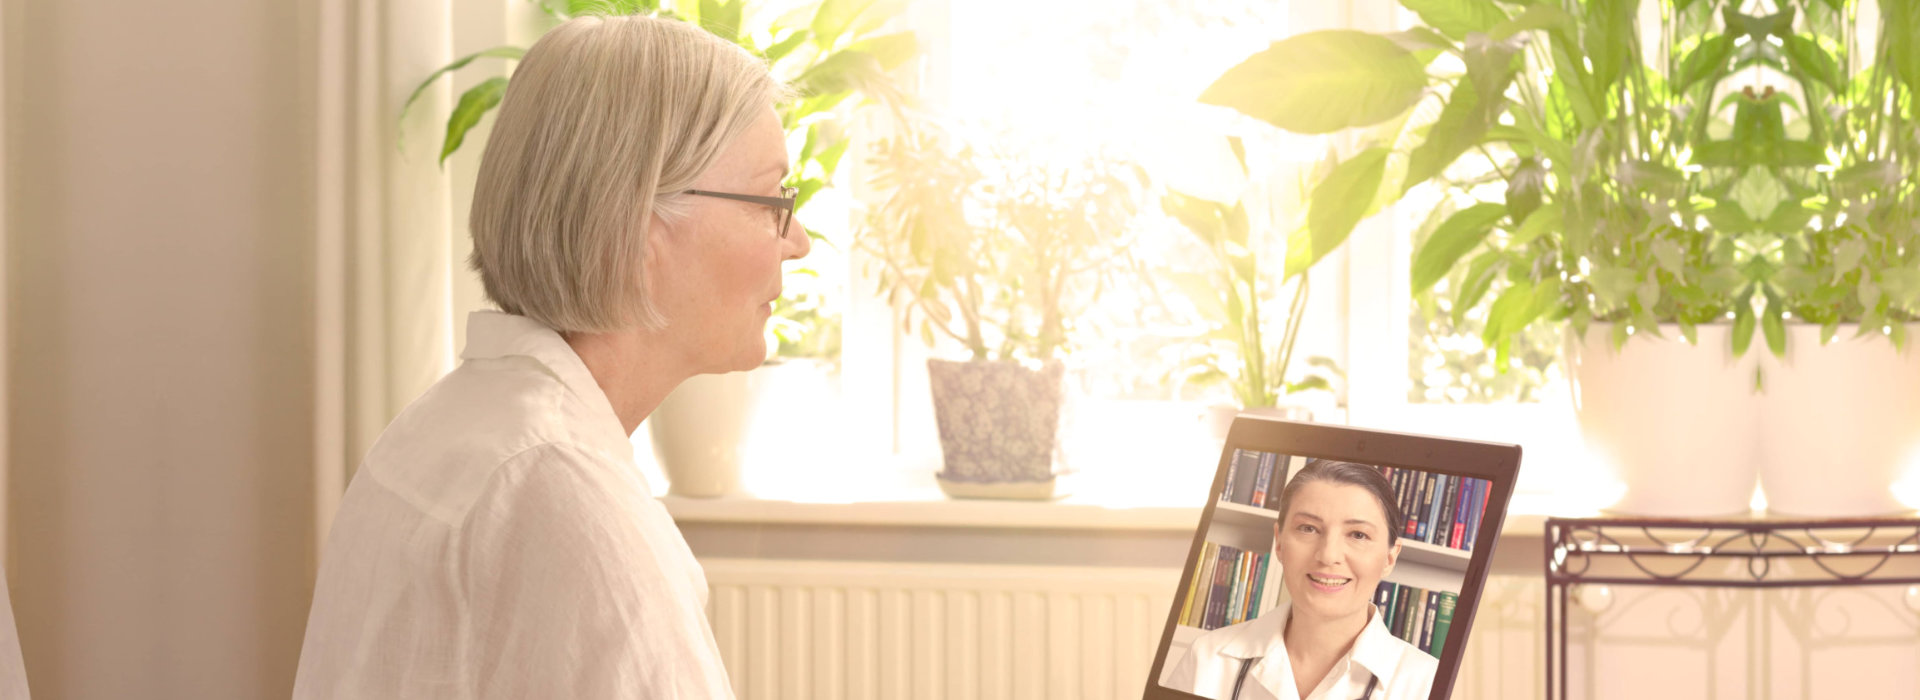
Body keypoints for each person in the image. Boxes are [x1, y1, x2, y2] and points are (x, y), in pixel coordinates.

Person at [292, 14, 808, 699]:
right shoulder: (564, 498)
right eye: (771, 200)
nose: (796, 239)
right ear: (637, 226)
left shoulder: (448, 430)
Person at [1163, 461, 1438, 700]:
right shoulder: (1207, 659)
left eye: (1357, 535)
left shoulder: (1427, 683)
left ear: (1389, 558)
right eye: (1308, 529)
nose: (1328, 555)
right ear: (1280, 543)